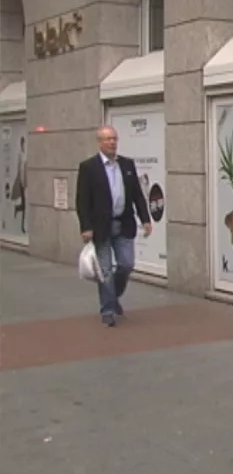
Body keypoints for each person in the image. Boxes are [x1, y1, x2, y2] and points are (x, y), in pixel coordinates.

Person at [75, 126, 152, 327]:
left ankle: (112, 295)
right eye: (107, 139)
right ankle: (108, 310)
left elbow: (137, 195)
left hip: (123, 223)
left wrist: (145, 219)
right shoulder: (89, 167)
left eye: (114, 139)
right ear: (99, 142)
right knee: (106, 270)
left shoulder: (126, 164)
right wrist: (86, 227)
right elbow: (82, 200)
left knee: (126, 264)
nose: (112, 142)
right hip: (101, 227)